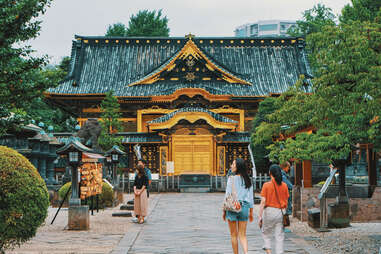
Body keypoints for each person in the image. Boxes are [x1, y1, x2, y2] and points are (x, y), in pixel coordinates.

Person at [222, 158, 254, 254]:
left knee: (233, 235)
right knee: (243, 235)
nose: (231, 166)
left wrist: (224, 211)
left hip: (232, 207)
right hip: (244, 207)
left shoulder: (231, 179)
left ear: (238, 167)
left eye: (233, 164)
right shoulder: (248, 180)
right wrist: (251, 212)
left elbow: (227, 196)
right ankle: (246, 252)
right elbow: (250, 198)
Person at [259, 164, 289, 254]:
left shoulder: (266, 185)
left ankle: (269, 251)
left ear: (270, 173)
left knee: (266, 233)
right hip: (281, 211)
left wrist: (260, 216)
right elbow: (286, 200)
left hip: (269, 211)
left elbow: (263, 201)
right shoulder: (284, 185)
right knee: (279, 236)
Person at [279, 161, 293, 234]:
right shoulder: (282, 175)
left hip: (283, 194)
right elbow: (288, 185)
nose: (289, 168)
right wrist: (292, 187)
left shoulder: (282, 174)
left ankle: (282, 227)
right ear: (285, 167)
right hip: (284, 195)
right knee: (284, 211)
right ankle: (283, 227)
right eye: (288, 167)